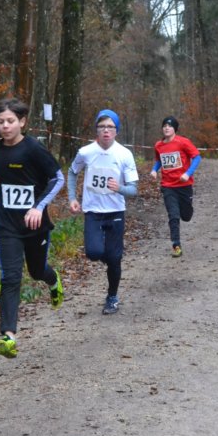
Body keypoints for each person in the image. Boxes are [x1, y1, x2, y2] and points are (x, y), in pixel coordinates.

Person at [0, 98, 65, 358]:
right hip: (7, 224)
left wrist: (38, 207)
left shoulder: (33, 149)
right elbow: (5, 181)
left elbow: (57, 178)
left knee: (36, 271)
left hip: (35, 225)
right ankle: (8, 336)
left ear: (22, 122)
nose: (5, 126)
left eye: (10, 121)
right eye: (0, 122)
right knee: (10, 278)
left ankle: (53, 280)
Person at [67, 109, 139, 315]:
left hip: (115, 211)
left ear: (117, 131)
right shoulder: (85, 152)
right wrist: (72, 198)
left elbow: (133, 190)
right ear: (96, 130)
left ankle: (112, 297)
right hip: (93, 211)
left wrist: (119, 188)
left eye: (110, 127)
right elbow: (72, 172)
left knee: (114, 259)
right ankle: (109, 257)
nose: (106, 131)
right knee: (94, 253)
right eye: (102, 127)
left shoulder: (124, 154)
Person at [149, 116, 201, 257]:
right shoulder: (158, 145)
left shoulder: (183, 142)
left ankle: (188, 209)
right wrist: (154, 170)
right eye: (164, 126)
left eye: (170, 126)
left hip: (184, 185)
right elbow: (159, 160)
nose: (166, 128)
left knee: (186, 216)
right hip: (168, 186)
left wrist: (188, 173)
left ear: (175, 129)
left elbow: (197, 157)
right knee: (173, 215)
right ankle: (176, 245)